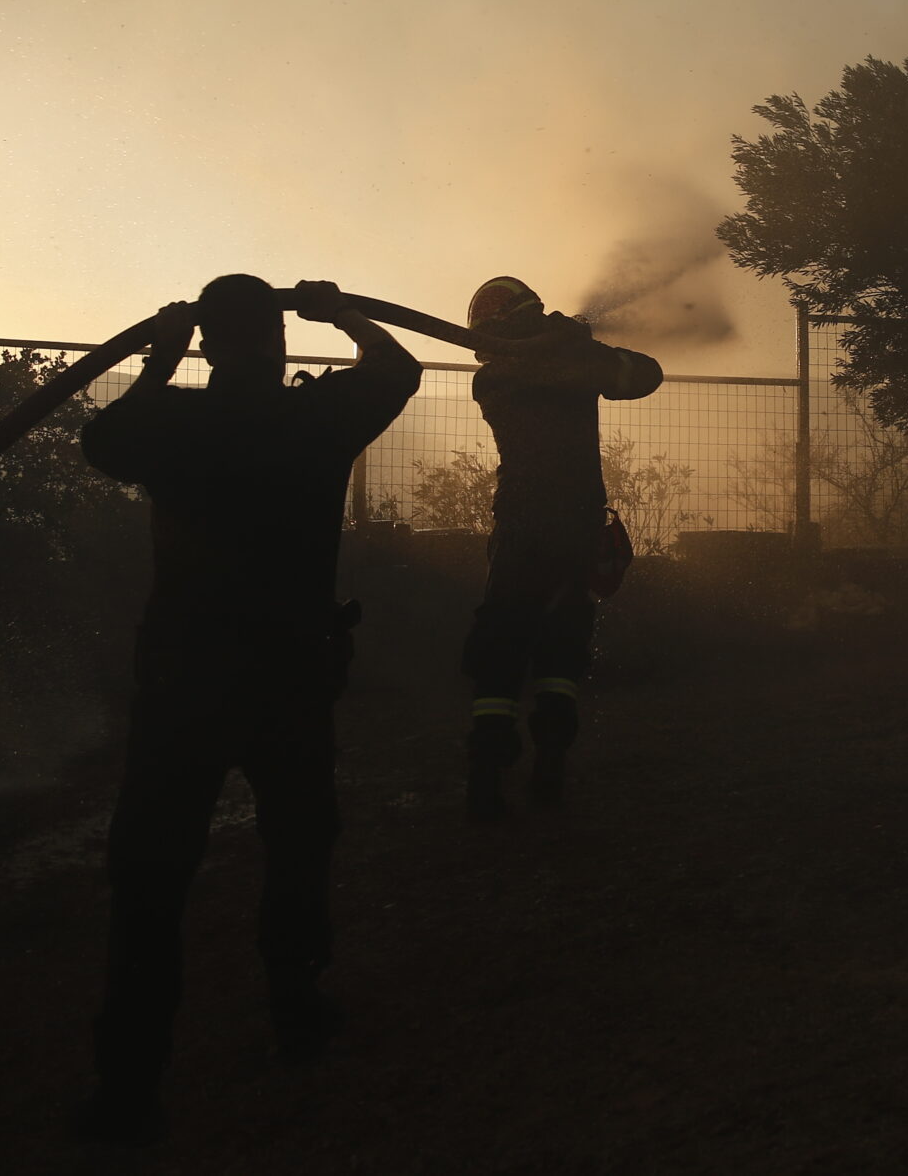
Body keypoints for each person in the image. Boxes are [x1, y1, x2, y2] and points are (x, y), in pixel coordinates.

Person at [73, 274, 419, 1145]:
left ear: (209, 344)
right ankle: (297, 1009)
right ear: (276, 339)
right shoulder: (317, 417)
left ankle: (128, 1086)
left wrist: (158, 363)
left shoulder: (170, 422)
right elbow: (398, 366)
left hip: (183, 680)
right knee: (298, 843)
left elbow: (101, 438)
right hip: (287, 675)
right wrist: (339, 310)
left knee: (150, 879)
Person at [462, 276, 663, 821]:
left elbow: (646, 375)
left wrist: (582, 346)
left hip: (530, 528)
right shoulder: (501, 375)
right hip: (557, 527)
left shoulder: (540, 365)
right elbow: (583, 375)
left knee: (532, 644)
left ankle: (525, 766)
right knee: (537, 643)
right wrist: (573, 346)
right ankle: (507, 766)